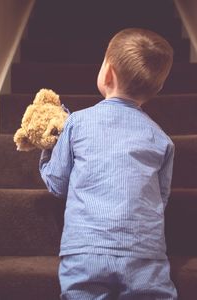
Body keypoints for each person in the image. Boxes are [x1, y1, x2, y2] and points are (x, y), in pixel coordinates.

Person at [39, 28, 177, 299]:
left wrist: (47, 150)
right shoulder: (162, 139)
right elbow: (161, 198)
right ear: (158, 88)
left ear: (108, 72)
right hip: (144, 252)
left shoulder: (76, 123)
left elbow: (57, 183)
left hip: (86, 249)